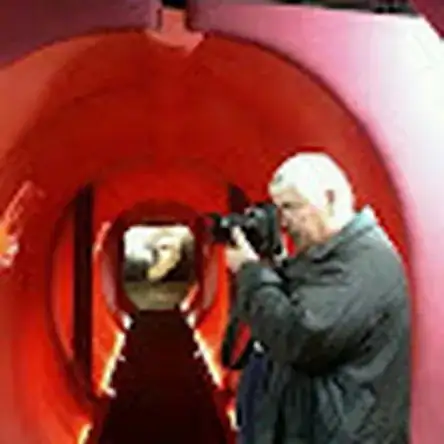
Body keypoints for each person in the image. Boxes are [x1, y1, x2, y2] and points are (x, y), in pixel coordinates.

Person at [225, 152, 410, 444]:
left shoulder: (365, 263)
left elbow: (300, 337)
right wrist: (272, 265)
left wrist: (250, 273)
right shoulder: (328, 257)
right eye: (279, 209)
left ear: (330, 198)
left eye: (291, 207)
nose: (283, 222)